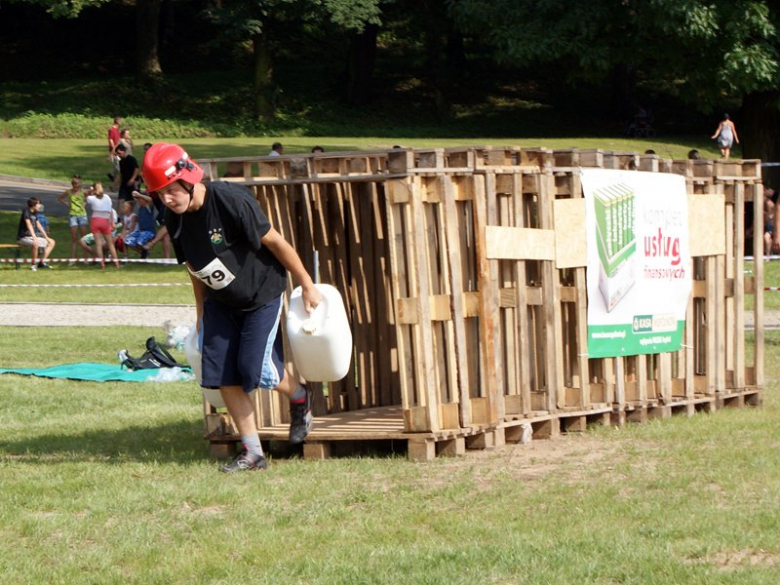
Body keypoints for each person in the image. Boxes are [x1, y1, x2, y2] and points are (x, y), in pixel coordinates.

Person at [141, 142, 322, 473]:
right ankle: (252, 453)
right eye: (159, 194)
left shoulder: (231, 201)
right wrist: (200, 313)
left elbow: (277, 243)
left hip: (260, 294)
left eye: (169, 190)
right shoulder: (175, 218)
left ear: (187, 178)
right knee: (224, 374)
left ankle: (299, 395)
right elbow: (194, 268)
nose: (166, 199)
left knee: (258, 369)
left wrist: (306, 284)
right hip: (219, 303)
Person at [85, 182, 121, 269]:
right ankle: (116, 264)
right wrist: (112, 222)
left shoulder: (92, 198)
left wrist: (90, 191)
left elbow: (85, 196)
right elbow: (110, 211)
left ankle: (102, 264)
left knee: (98, 244)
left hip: (95, 221)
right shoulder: (107, 197)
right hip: (105, 221)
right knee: (110, 244)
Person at [17, 197, 55, 270]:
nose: (40, 206)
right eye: (38, 204)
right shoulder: (26, 211)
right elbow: (29, 225)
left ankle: (41, 262)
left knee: (52, 242)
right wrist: (34, 237)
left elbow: (38, 225)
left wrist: (46, 237)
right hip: (23, 237)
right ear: (34, 205)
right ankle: (33, 265)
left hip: (32, 236)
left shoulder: (35, 213)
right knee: (36, 243)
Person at [57, 174, 89, 261]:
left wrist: (84, 205)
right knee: (74, 237)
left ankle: (85, 258)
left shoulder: (83, 192)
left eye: (77, 187)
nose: (76, 189)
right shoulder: (69, 192)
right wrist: (68, 205)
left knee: (84, 238)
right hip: (73, 215)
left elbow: (87, 198)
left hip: (82, 215)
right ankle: (73, 258)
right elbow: (60, 198)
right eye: (75, 187)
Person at [125, 191, 158, 258]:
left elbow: (150, 200)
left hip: (149, 232)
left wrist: (139, 195)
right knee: (127, 240)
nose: (138, 201)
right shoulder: (139, 208)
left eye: (140, 199)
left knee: (140, 241)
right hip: (141, 231)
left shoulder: (148, 207)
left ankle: (144, 253)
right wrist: (135, 195)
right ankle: (143, 253)